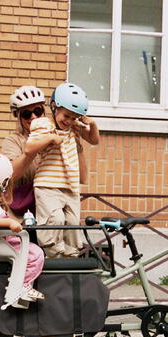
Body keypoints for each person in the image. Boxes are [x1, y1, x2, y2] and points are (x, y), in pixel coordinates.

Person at [25, 82, 100, 258]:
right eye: (66, 115)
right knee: (55, 220)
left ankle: (70, 257)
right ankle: (52, 255)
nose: (68, 121)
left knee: (72, 223)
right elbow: (29, 148)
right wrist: (51, 139)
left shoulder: (74, 128)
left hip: (70, 186)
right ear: (54, 107)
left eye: (74, 117)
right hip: (48, 185)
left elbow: (94, 140)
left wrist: (92, 124)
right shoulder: (43, 125)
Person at [0, 152, 45, 309]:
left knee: (32, 251)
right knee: (36, 253)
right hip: (2, 242)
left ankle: (19, 288)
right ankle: (22, 287)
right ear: (3, 183)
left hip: (2, 239)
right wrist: (10, 223)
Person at [1, 85, 48, 219]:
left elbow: (82, 177)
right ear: (19, 118)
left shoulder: (54, 137)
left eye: (38, 111)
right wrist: (32, 149)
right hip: (23, 215)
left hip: (50, 210)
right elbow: (11, 175)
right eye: (27, 114)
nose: (33, 117)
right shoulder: (13, 141)